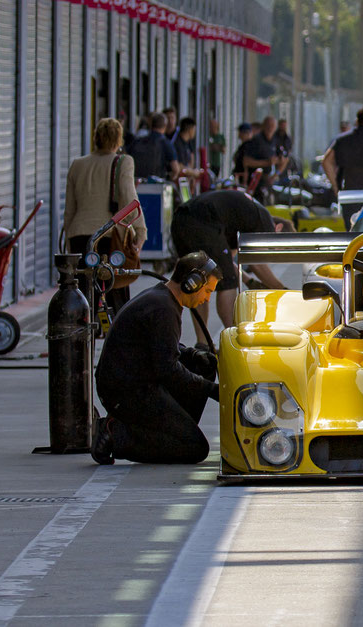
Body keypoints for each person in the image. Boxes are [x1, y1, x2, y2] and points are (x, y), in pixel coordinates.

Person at [91, 252, 221, 465]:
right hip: (126, 392)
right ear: (192, 283)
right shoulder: (163, 308)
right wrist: (212, 390)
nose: (206, 298)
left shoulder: (162, 299)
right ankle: (115, 434)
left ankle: (174, 428)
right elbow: (167, 368)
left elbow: (159, 344)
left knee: (201, 365)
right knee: (195, 448)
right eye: (207, 290)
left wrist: (191, 354)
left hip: (137, 380)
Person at [170, 189, 286, 347]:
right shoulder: (265, 222)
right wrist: (281, 289)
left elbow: (226, 262)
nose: (271, 252)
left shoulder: (240, 218)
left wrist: (249, 280)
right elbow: (255, 262)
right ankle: (235, 341)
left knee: (199, 279)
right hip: (204, 219)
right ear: (278, 228)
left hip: (181, 218)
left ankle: (203, 343)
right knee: (229, 284)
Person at [65, 118, 147, 315]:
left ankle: (84, 335)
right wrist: (140, 230)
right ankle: (114, 335)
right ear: (119, 139)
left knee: (83, 291)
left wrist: (69, 240)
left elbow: (70, 209)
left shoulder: (77, 164)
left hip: (80, 236)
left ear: (96, 137)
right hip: (109, 237)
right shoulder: (123, 161)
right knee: (114, 289)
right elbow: (130, 198)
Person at [128, 112, 180, 181]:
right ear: (165, 126)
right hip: (157, 185)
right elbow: (175, 169)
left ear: (151, 125)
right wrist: (169, 179)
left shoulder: (138, 141)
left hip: (138, 183)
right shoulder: (166, 143)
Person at [242, 116, 281, 194]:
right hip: (255, 181)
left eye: (272, 126)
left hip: (267, 181)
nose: (270, 128)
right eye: (268, 126)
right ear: (263, 126)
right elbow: (246, 161)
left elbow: (284, 159)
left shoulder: (275, 140)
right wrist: (266, 163)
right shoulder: (256, 140)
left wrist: (275, 175)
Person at [173, 116, 201, 181]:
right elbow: (179, 166)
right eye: (194, 129)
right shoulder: (178, 144)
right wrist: (192, 172)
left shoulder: (188, 143)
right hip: (178, 180)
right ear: (190, 129)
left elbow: (190, 160)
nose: (194, 132)